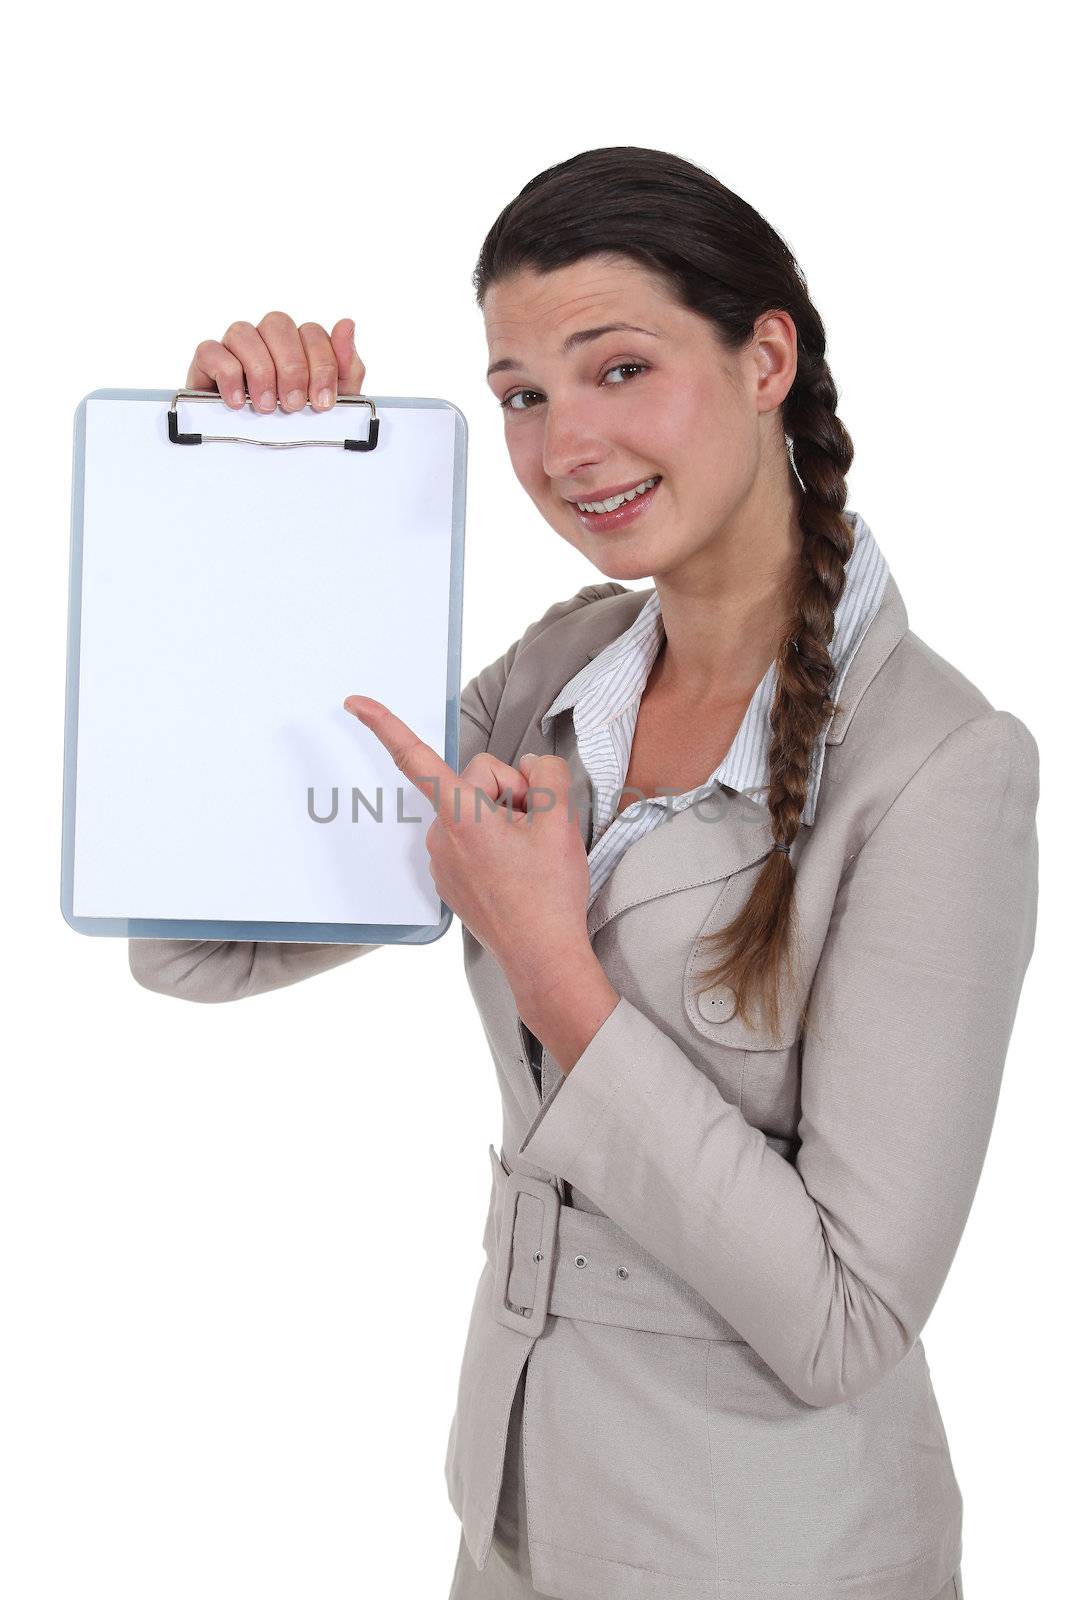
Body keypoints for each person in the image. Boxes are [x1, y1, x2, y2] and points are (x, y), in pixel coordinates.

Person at [129, 147, 1038, 1600]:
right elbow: (193, 947)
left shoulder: (943, 766)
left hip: (773, 1555)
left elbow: (849, 1318)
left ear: (766, 358)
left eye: (619, 369)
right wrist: (248, 506)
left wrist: (559, 975)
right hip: (517, 1525)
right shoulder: (561, 673)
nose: (564, 448)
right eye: (522, 397)